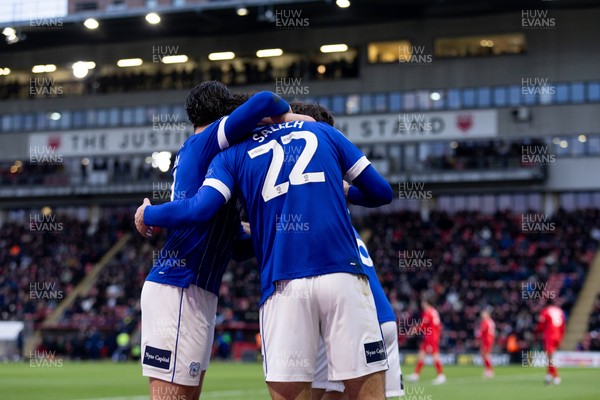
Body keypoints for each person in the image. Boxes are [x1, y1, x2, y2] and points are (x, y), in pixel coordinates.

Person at [135, 106, 394, 399]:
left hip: (282, 285)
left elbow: (203, 207)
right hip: (342, 274)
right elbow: (382, 192)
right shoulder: (324, 132)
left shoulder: (231, 155)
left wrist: (149, 213)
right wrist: (344, 191)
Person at [140, 81, 297, 400]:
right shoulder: (208, 141)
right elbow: (266, 99)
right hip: (178, 286)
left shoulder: (210, 160)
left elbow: (235, 246)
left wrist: (273, 233)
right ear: (223, 114)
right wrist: (289, 119)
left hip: (196, 291)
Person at [288, 103, 403, 400]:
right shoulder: (339, 216)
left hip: (348, 311)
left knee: (322, 393)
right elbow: (379, 193)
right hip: (382, 314)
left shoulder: (306, 206)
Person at [405, 298, 446, 385]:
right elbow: (438, 326)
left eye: (423, 303)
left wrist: (413, 330)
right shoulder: (434, 312)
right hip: (430, 337)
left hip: (431, 338)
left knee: (435, 356)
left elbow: (423, 325)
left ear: (427, 303)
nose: (422, 305)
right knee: (421, 354)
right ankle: (416, 375)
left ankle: (441, 376)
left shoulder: (428, 312)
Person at [535, 300, 565, 385]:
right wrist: (561, 337)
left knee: (549, 357)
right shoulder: (560, 311)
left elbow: (540, 324)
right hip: (558, 336)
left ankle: (556, 377)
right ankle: (549, 375)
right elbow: (563, 325)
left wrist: (537, 333)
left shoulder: (546, 311)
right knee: (549, 357)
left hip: (550, 336)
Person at [476, 307, 495, 378]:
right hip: (489, 340)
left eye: (483, 314)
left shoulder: (486, 322)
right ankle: (488, 370)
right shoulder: (491, 322)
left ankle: (489, 371)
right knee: (485, 355)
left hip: (487, 341)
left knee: (485, 355)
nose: (482, 316)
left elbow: (481, 332)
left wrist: (477, 339)